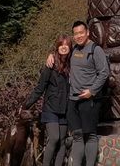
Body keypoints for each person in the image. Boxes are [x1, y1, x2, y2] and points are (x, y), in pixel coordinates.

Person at [55, 20, 110, 166]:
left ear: (87, 33)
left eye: (81, 33)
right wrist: (50, 55)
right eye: (75, 34)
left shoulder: (95, 49)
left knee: (90, 135)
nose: (78, 36)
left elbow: (104, 73)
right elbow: (61, 51)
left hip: (89, 99)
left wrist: (92, 91)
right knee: (78, 136)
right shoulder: (74, 49)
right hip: (73, 100)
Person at [24, 35, 72, 166]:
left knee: (62, 141)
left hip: (65, 108)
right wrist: (26, 104)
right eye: (61, 44)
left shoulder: (72, 64)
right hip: (51, 108)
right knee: (54, 138)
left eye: (66, 44)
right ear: (57, 47)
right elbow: (40, 88)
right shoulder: (50, 65)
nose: (63, 47)